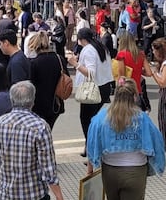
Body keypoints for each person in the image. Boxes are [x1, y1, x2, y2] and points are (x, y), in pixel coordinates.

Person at [0, 81, 68, 200]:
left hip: (5, 196)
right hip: (33, 196)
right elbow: (48, 167)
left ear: (12, 99)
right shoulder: (40, 126)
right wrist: (59, 197)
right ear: (33, 101)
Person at [86, 78, 166, 200]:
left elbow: (91, 142)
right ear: (134, 97)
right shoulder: (142, 118)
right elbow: (157, 142)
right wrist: (157, 165)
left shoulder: (102, 117)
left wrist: (90, 169)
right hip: (135, 171)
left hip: (110, 171)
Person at [65, 27, 114, 157]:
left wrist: (75, 63)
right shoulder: (101, 47)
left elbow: (91, 73)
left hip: (93, 89)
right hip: (104, 86)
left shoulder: (89, 50)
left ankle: (92, 147)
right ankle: (90, 145)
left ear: (81, 39)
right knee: (93, 118)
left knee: (86, 119)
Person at [28, 31, 65, 129]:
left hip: (39, 104)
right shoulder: (59, 59)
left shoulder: (34, 63)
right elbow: (66, 76)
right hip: (56, 102)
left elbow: (31, 83)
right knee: (49, 128)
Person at [114, 32, 152, 110]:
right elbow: (149, 73)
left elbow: (122, 75)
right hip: (137, 89)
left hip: (125, 89)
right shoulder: (141, 54)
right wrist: (138, 70)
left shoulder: (121, 55)